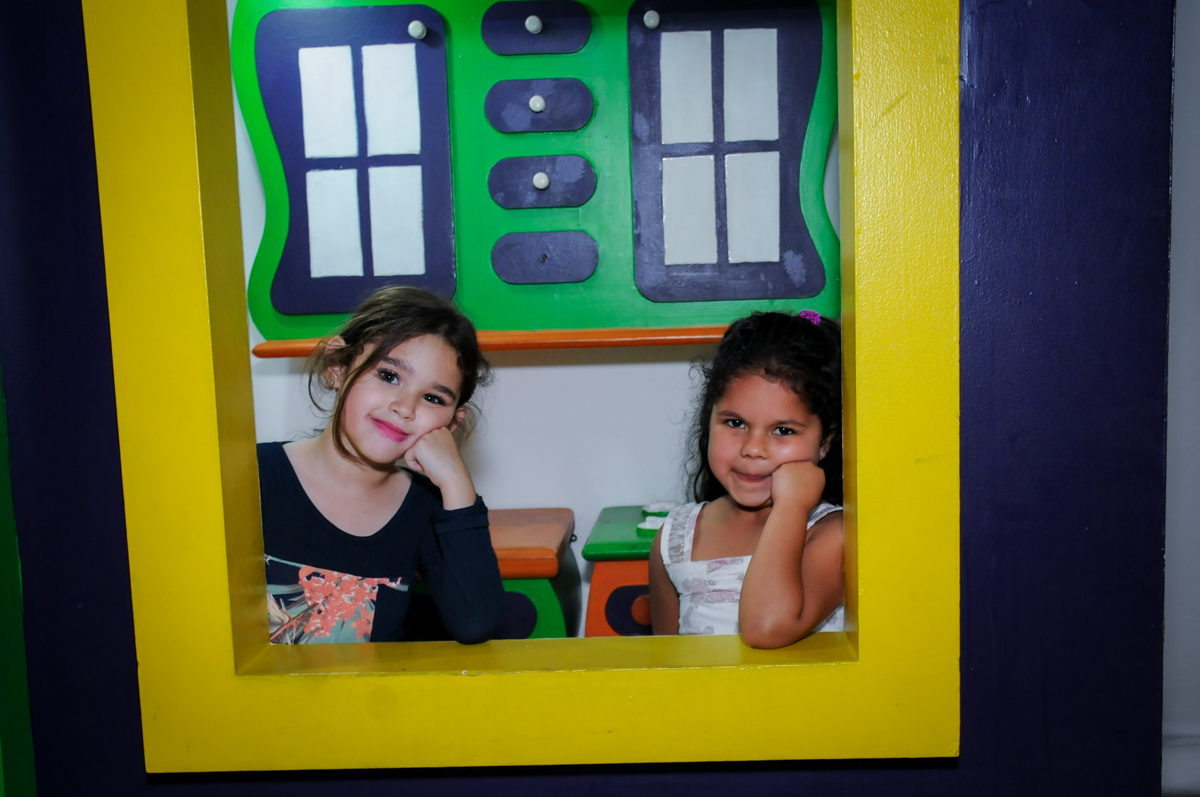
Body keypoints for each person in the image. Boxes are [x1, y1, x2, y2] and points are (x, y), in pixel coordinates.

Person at [260, 286, 504, 644]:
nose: (405, 407)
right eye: (389, 376)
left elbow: (476, 623)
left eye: (433, 398)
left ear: (451, 424)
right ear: (338, 368)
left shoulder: (426, 509)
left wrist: (456, 483)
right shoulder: (253, 475)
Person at [648, 310, 844, 649]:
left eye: (783, 430)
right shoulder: (675, 538)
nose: (753, 449)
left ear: (825, 441)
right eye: (735, 423)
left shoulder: (836, 535)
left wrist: (792, 508)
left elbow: (766, 627)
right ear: (708, 419)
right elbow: (666, 667)